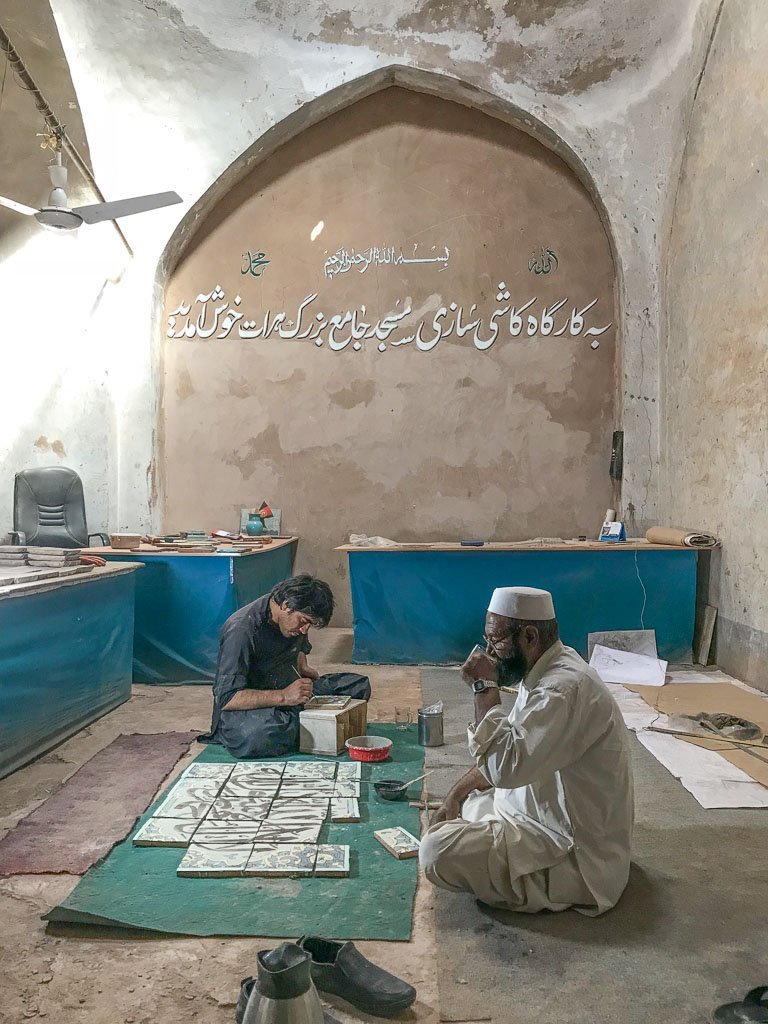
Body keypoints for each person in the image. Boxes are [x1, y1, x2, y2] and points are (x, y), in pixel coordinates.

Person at [419, 586, 634, 916]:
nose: (488, 653)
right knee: (462, 808)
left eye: (496, 642)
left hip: (570, 852)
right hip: (528, 811)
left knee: (436, 851)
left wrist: (484, 688)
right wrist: (456, 794)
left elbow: (506, 768)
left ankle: (545, 886)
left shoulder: (561, 690)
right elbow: (512, 747)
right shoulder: (546, 670)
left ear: (530, 637)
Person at [200, 574, 370, 758]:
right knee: (256, 736)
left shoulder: (293, 618)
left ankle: (309, 726)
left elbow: (299, 647)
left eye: (310, 625)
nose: (305, 630)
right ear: (285, 605)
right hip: (254, 708)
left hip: (292, 696)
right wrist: (283, 696)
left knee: (358, 685)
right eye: (304, 621)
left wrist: (302, 666)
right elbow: (227, 698)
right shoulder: (241, 630)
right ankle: (315, 726)